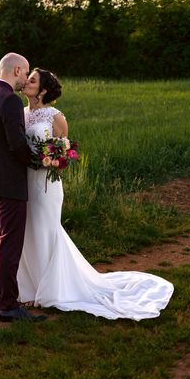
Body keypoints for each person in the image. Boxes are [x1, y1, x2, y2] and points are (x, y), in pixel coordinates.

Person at [17, 68, 174, 320]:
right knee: (27, 230)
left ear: (43, 90)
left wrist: (53, 160)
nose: (26, 82)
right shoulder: (21, 113)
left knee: (46, 229)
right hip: (23, 181)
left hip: (46, 184)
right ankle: (29, 286)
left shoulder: (55, 116)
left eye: (32, 80)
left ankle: (53, 289)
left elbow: (63, 150)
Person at [0, 53, 46, 323]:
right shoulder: (10, 100)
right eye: (25, 74)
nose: (25, 80)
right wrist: (38, 162)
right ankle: (9, 305)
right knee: (10, 240)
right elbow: (16, 144)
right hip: (9, 182)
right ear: (16, 70)